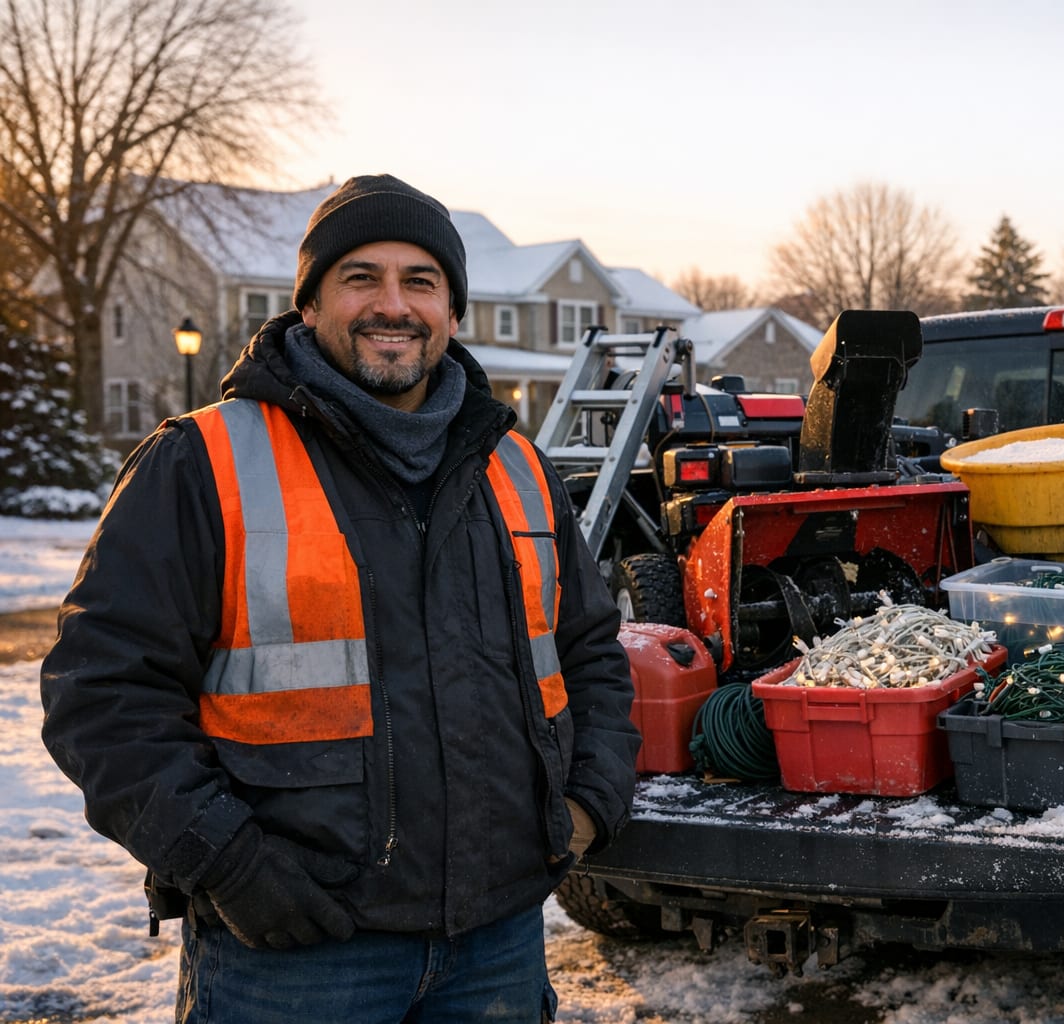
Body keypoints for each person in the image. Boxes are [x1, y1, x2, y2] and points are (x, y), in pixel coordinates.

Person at [39, 174, 641, 1023]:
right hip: (295, 955)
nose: (391, 305)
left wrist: (588, 806)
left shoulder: (518, 467)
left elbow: (588, 653)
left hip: (497, 942)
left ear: (453, 313)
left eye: (420, 281)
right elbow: (101, 695)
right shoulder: (202, 462)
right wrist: (229, 866)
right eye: (360, 277)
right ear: (310, 305)